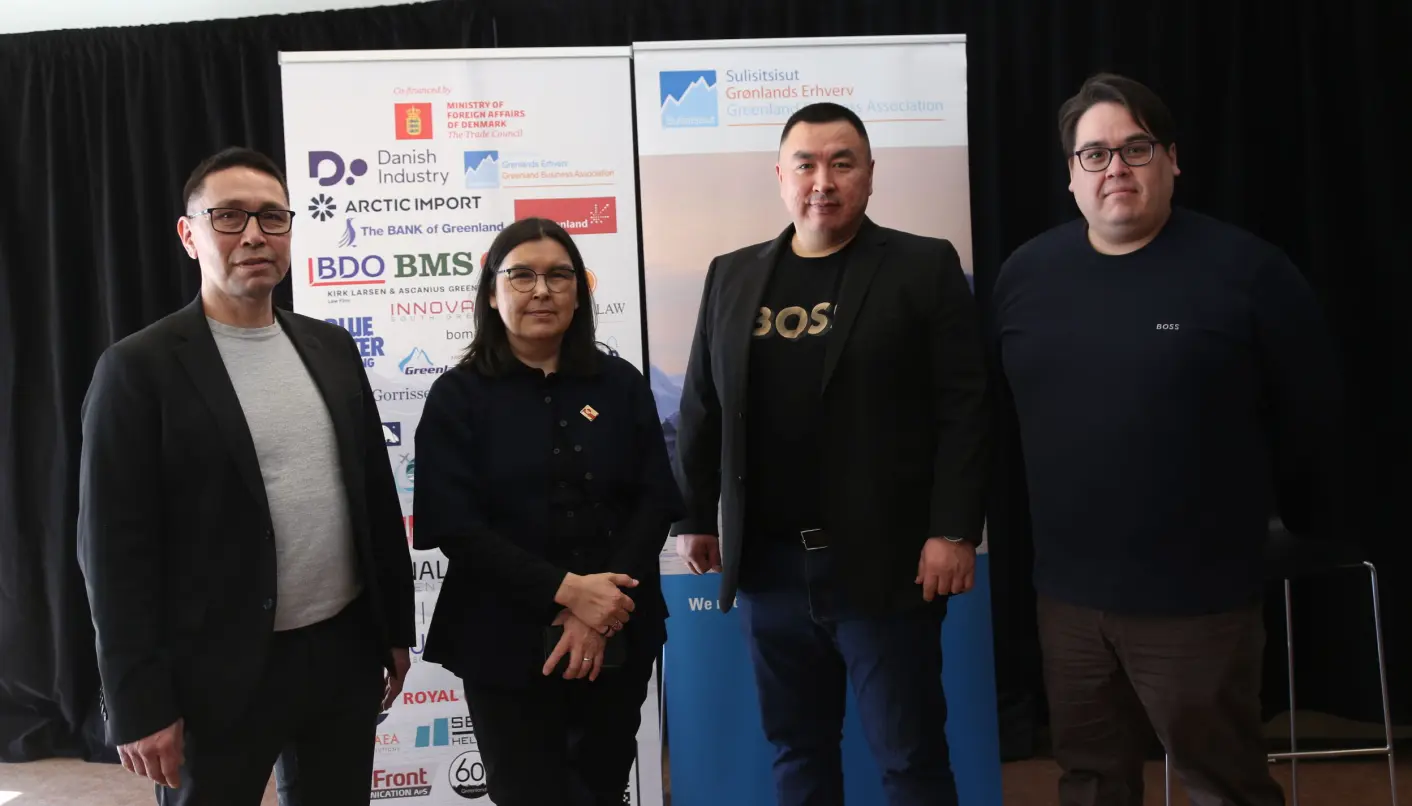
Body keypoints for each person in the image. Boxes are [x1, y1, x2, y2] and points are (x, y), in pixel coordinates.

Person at [989, 73, 1343, 806]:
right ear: (1071, 175)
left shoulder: (1249, 273)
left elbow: (1312, 415)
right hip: (1068, 602)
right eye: (1094, 154)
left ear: (1172, 159)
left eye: (1136, 147)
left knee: (1223, 786)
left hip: (1199, 602)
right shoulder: (1025, 276)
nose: (1115, 167)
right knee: (1091, 783)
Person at [671, 102, 990, 805]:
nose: (824, 180)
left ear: (870, 174)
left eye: (842, 163)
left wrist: (953, 529)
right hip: (770, 569)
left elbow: (965, 409)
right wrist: (693, 515)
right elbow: (701, 406)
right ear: (780, 176)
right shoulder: (731, 275)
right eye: (807, 164)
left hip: (884, 566)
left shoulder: (923, 265)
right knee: (797, 750)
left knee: (910, 758)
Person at [76, 147, 414, 806]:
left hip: (341, 654)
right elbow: (112, 553)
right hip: (212, 675)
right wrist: (138, 700)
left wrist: (393, 630)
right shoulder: (138, 369)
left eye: (271, 217)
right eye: (229, 217)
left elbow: (374, 497)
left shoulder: (331, 348)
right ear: (189, 235)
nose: (255, 235)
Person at [412, 217, 683, 806]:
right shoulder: (457, 397)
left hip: (619, 626)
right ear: (491, 292)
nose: (542, 290)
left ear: (579, 292)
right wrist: (567, 591)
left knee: (600, 790)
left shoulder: (620, 383)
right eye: (522, 276)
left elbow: (655, 499)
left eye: (559, 275)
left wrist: (599, 609)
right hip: (502, 638)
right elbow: (455, 526)